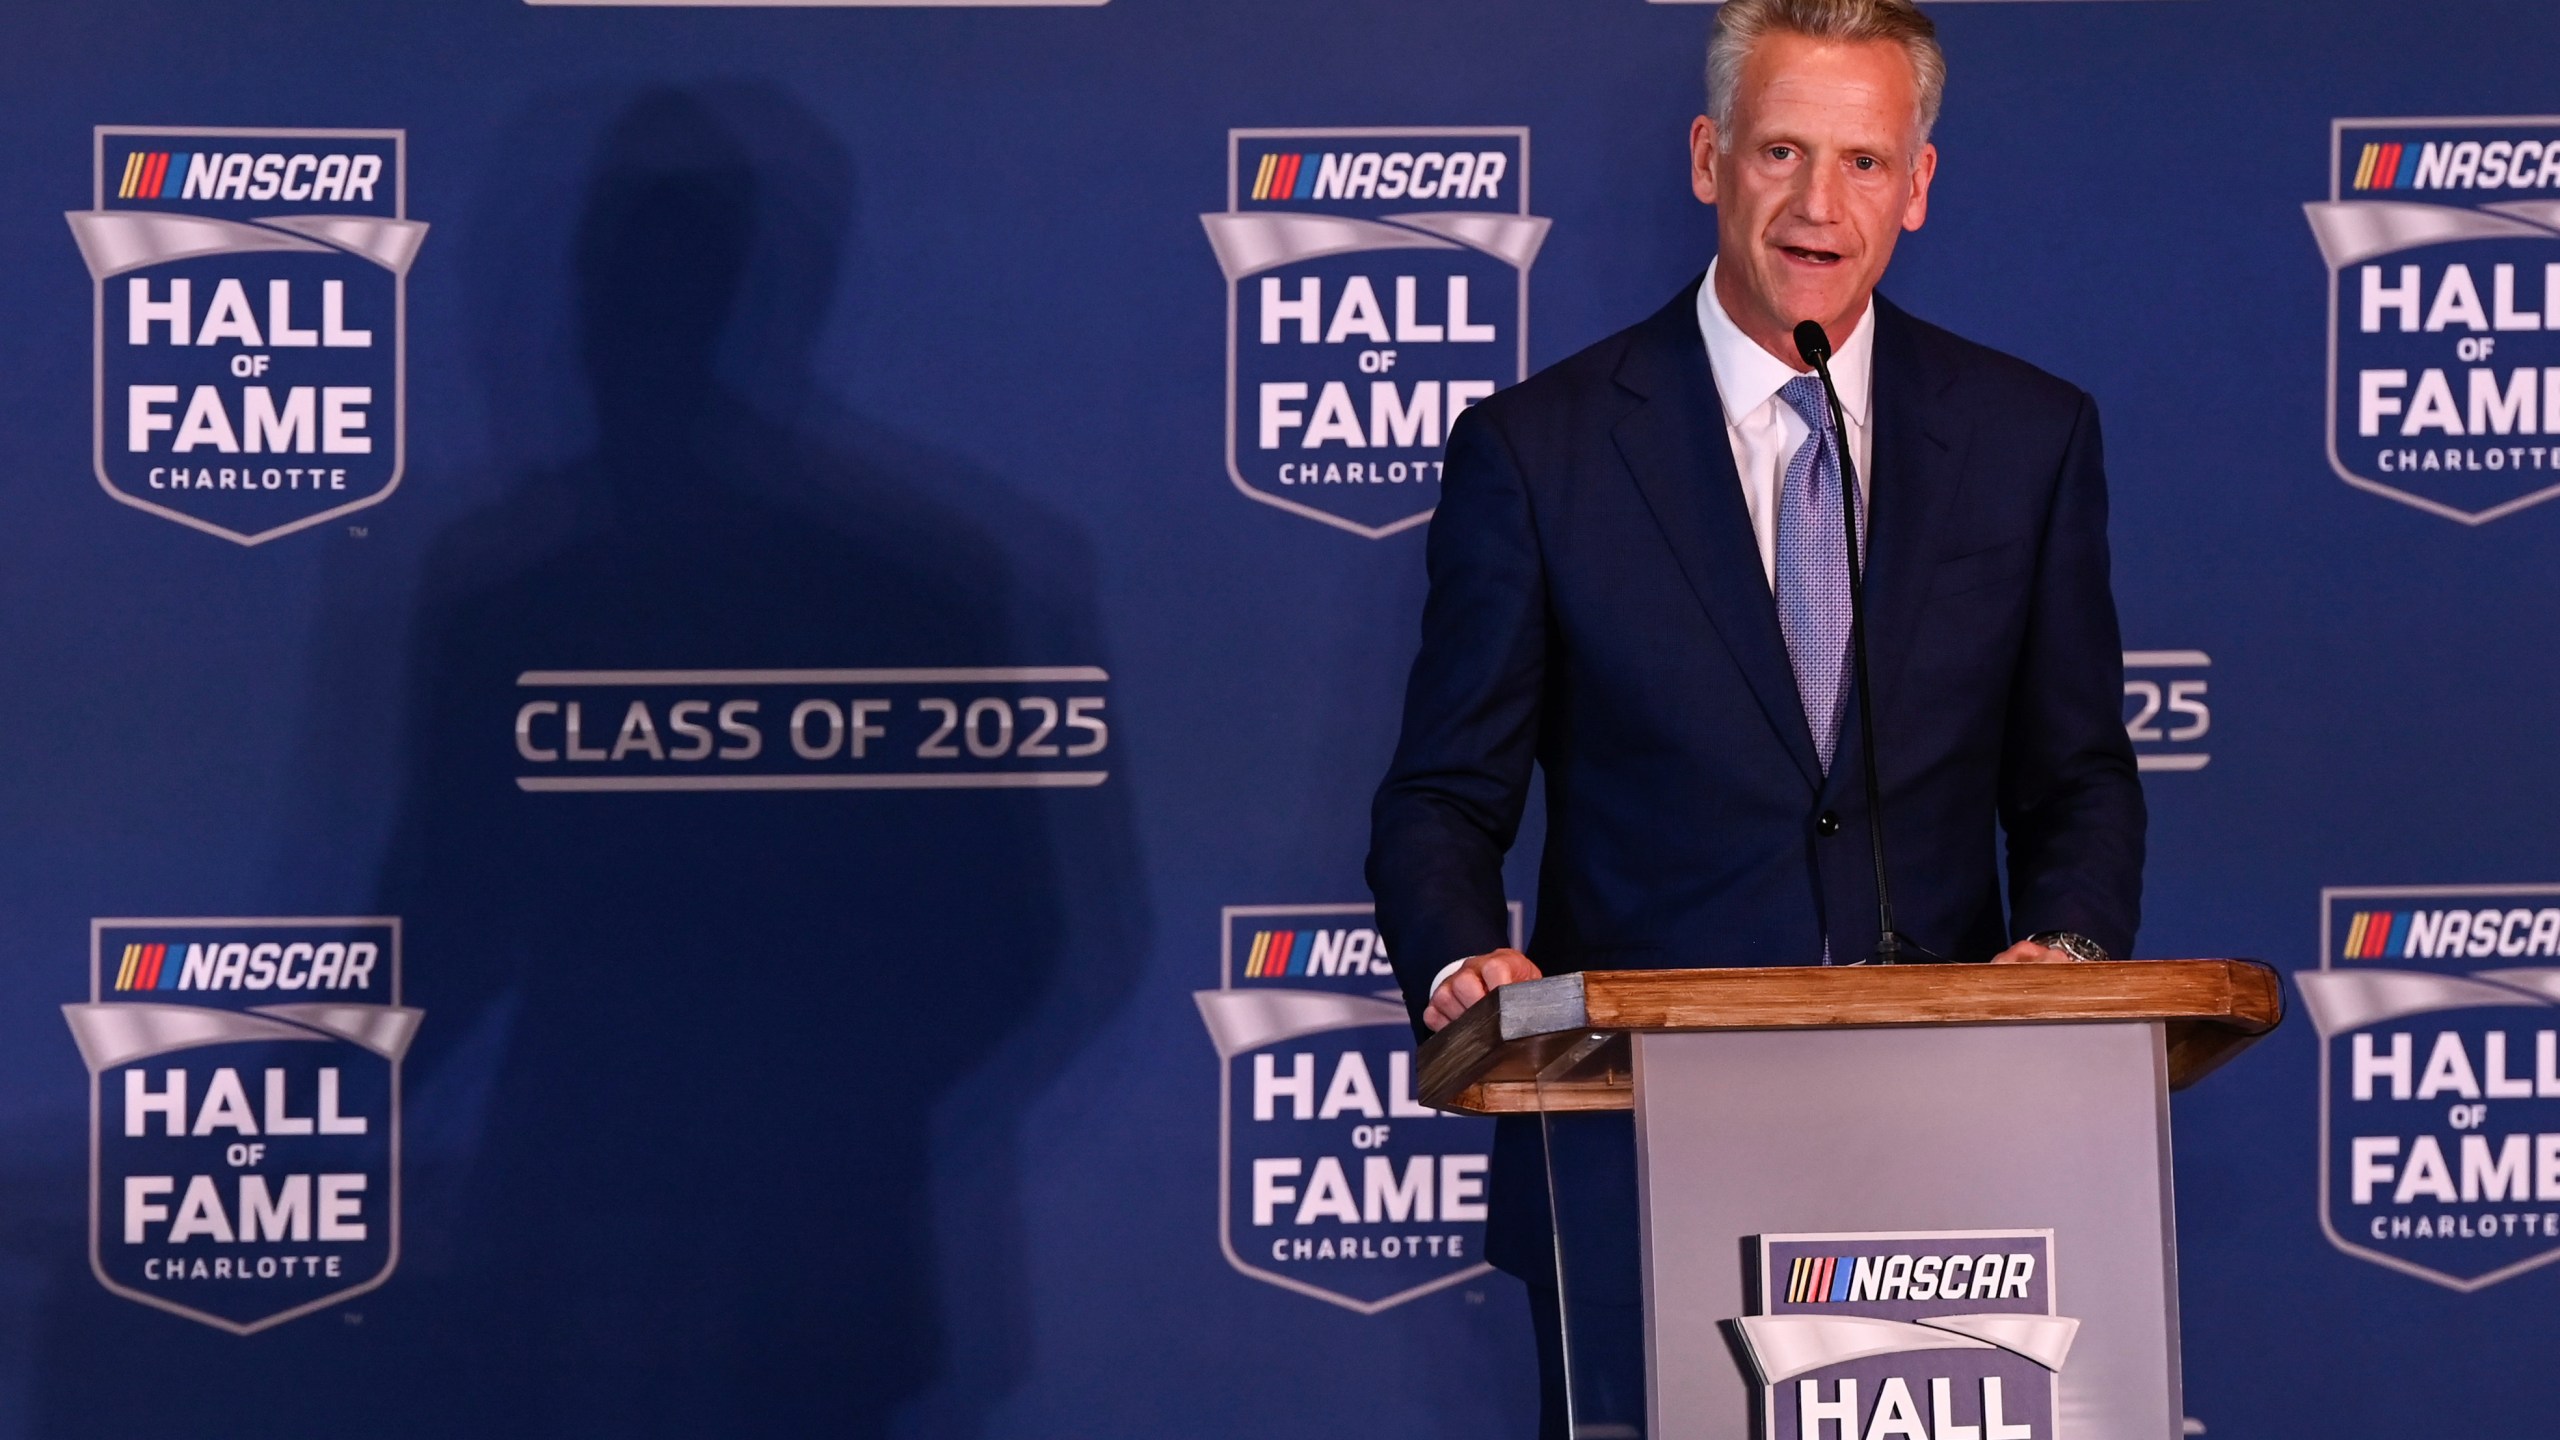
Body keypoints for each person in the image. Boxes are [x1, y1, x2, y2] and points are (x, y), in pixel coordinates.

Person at [1364, 0, 2146, 1432]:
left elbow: (2079, 775)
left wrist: (2074, 956)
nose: (1816, 204)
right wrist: (1465, 958)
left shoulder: (2030, 437)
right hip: (1633, 1134)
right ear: (1708, 157)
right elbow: (1440, 798)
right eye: (1782, 150)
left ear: (1919, 185)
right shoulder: (1539, 453)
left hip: (1957, 1135)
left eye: (1862, 160)